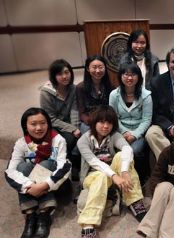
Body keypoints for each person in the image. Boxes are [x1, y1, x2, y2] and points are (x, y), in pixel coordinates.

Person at [77, 105, 146, 238]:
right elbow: (94, 162)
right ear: (94, 122)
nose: (105, 126)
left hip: (114, 177)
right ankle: (88, 224)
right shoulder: (83, 140)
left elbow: (127, 149)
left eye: (109, 122)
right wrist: (114, 175)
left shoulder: (114, 135)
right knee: (101, 175)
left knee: (122, 156)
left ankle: (134, 201)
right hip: (93, 177)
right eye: (101, 122)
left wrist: (124, 172)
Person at [5, 107, 71, 238]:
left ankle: (44, 214)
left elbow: (65, 166)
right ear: (25, 126)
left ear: (48, 123)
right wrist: (29, 185)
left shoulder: (58, 140)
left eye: (43, 123)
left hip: (57, 185)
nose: (39, 128)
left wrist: (45, 184)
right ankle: (30, 214)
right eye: (33, 124)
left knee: (45, 164)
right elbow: (9, 171)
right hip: (32, 187)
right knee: (23, 167)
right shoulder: (21, 143)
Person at [109, 62, 152, 184]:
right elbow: (113, 117)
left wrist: (134, 135)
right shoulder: (114, 94)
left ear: (138, 77)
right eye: (126, 74)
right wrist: (125, 132)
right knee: (117, 149)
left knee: (136, 150)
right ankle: (118, 178)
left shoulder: (146, 95)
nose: (129, 78)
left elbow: (146, 119)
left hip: (139, 131)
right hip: (119, 130)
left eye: (133, 75)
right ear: (120, 76)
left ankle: (139, 178)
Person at [40, 59, 81, 171]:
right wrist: (71, 129)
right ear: (54, 76)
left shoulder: (73, 88)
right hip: (52, 124)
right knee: (62, 140)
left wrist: (76, 127)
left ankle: (70, 162)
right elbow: (50, 119)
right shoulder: (46, 92)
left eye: (67, 72)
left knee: (78, 136)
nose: (64, 76)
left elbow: (74, 110)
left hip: (68, 122)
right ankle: (59, 165)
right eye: (59, 74)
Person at [76, 55, 113, 134]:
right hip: (89, 122)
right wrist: (94, 122)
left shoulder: (110, 87)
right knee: (88, 134)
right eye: (94, 67)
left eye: (100, 67)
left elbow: (112, 109)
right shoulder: (80, 87)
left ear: (105, 68)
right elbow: (81, 112)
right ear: (87, 69)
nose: (98, 71)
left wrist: (104, 122)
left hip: (106, 121)